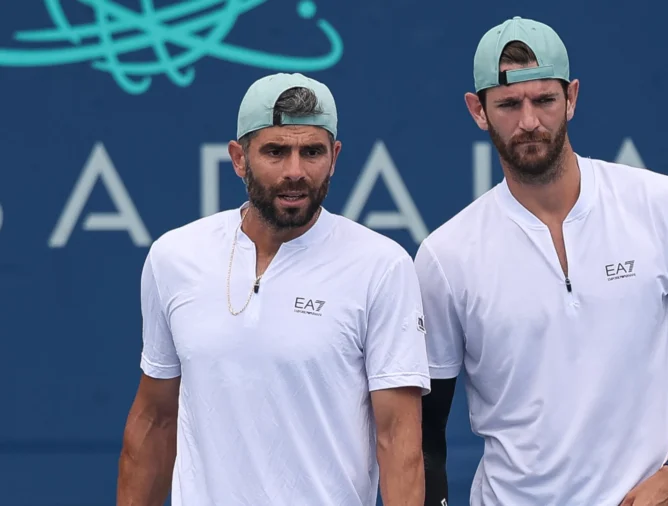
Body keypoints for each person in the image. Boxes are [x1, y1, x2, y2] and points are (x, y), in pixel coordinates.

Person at [416, 16, 668, 506]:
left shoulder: (659, 203)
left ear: (572, 98)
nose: (529, 121)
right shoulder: (446, 255)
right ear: (478, 110)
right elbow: (423, 434)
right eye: (509, 104)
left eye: (544, 100)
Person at [116, 73, 431, 506]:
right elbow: (154, 419)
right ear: (239, 158)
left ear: (335, 157)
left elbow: (399, 442)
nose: (295, 172)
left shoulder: (382, 265)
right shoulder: (174, 256)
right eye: (276, 152)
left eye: (312, 152)